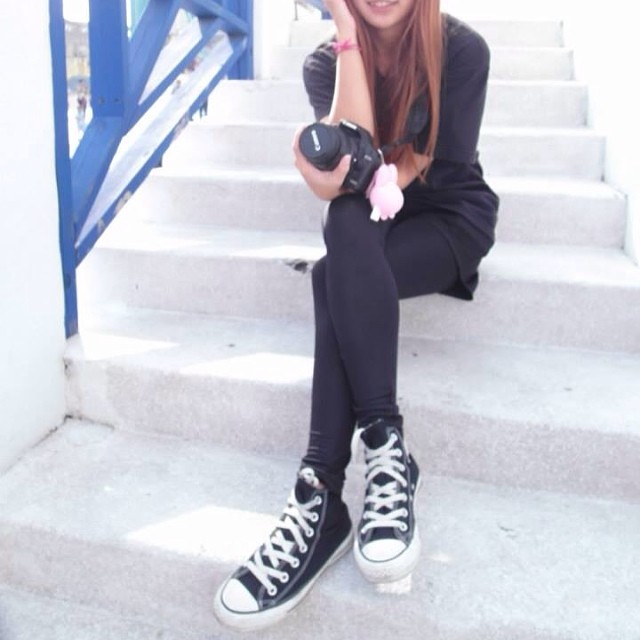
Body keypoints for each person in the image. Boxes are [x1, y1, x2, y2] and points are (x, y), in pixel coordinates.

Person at [214, 0, 498, 630]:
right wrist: (346, 34)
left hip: (448, 220)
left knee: (334, 268)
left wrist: (349, 179)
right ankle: (381, 451)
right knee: (343, 230)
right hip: (370, 221)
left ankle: (320, 497)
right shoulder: (326, 63)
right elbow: (348, 177)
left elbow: (407, 166)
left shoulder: (461, 51)